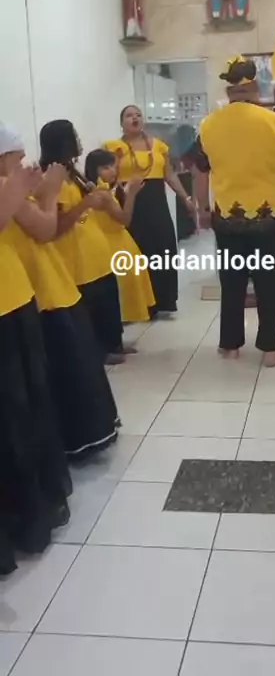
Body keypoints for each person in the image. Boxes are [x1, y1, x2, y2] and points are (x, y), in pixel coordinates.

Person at [0, 124, 119, 459]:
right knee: (64, 368)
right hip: (39, 283)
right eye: (18, 158)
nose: (24, 164)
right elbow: (47, 229)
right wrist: (50, 194)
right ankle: (75, 440)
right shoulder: (8, 187)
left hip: (49, 278)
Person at [187, 56, 275, 367]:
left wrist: (202, 209)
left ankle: (230, 345)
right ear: (254, 86)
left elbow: (200, 171)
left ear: (228, 90)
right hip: (268, 219)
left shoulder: (209, 125)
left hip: (227, 218)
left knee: (231, 283)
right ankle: (270, 349)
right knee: (269, 284)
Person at [0, 150, 71, 575]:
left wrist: (32, 192)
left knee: (24, 409)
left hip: (15, 299)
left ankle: (31, 510)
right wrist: (24, 190)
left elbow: (43, 227)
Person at [39, 120, 125, 365]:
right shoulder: (52, 179)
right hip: (75, 260)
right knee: (88, 312)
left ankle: (111, 345)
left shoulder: (73, 174)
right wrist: (85, 204)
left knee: (106, 304)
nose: (79, 140)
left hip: (96, 256)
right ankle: (98, 352)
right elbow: (55, 227)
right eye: (74, 136)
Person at [104, 106, 196, 315]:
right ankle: (142, 304)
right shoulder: (114, 147)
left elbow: (169, 175)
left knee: (163, 248)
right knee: (138, 251)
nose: (135, 118)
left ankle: (164, 300)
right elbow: (108, 176)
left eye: (138, 115)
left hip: (156, 203)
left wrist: (185, 198)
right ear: (122, 123)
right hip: (130, 202)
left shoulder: (159, 146)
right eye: (129, 116)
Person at [84, 148, 156, 323]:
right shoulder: (103, 194)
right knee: (123, 290)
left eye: (113, 166)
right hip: (115, 244)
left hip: (113, 242)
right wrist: (131, 195)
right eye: (105, 167)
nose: (112, 171)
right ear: (94, 169)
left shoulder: (94, 189)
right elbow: (125, 219)